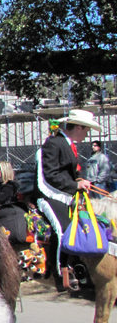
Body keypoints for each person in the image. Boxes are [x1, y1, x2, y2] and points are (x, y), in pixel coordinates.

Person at [35, 109, 101, 292]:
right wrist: (75, 186)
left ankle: (80, 266)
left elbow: (70, 172)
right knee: (64, 229)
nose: (87, 134)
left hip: (66, 194)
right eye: (86, 130)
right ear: (79, 127)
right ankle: (61, 273)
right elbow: (50, 174)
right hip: (49, 195)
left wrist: (79, 180)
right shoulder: (54, 143)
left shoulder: (68, 144)